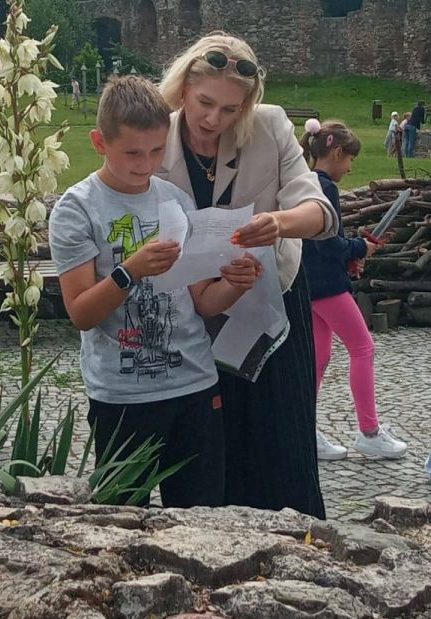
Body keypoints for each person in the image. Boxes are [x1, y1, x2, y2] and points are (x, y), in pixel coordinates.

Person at [49, 73, 261, 508]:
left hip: (195, 384)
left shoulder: (175, 200)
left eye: (157, 151)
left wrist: (237, 285)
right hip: (123, 396)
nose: (145, 164)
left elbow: (203, 302)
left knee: (203, 519)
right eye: (132, 152)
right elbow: (81, 314)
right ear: (99, 142)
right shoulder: (77, 209)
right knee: (123, 520)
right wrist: (130, 271)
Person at [157, 31, 338, 518]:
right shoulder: (155, 136)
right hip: (190, 311)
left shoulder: (270, 126)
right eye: (204, 103)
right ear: (183, 87)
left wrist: (278, 222)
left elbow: (320, 212)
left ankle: (296, 538)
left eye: (230, 110)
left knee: (282, 440)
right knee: (205, 444)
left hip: (271, 304)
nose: (213, 120)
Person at [301, 118, 407, 461]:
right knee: (363, 348)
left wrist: (349, 255)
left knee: (320, 357)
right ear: (336, 153)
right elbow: (328, 242)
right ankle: (369, 432)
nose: (349, 168)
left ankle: (304, 429)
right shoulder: (326, 187)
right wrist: (360, 248)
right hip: (328, 286)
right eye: (350, 160)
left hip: (310, 283)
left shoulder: (305, 181)